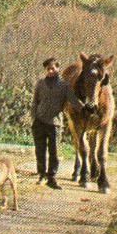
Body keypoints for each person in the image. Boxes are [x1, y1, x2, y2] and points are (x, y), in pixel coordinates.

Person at [31, 57, 87, 190]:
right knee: (40, 151)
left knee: (54, 152)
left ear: (57, 68)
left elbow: (74, 101)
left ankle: (52, 177)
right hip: (39, 122)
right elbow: (34, 102)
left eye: (53, 68)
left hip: (55, 124)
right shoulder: (40, 84)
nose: (50, 71)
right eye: (48, 69)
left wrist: (85, 108)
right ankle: (42, 175)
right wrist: (33, 119)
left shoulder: (64, 86)